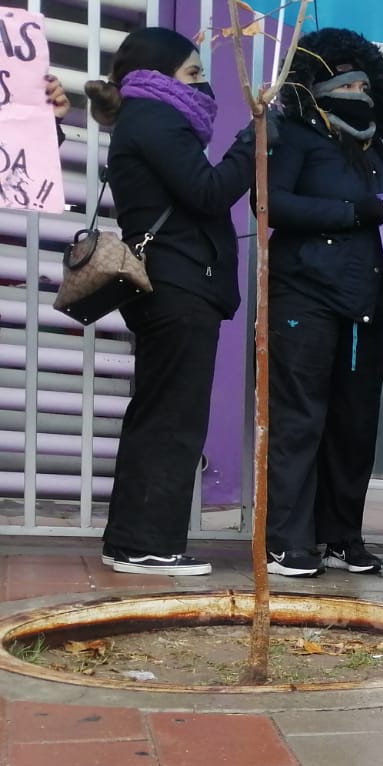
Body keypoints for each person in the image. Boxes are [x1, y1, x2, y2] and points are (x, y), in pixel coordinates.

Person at [86, 27, 254, 574]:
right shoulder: (157, 119)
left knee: (157, 413)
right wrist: (254, 143)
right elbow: (207, 191)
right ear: (160, 74)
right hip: (178, 285)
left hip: (168, 283)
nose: (204, 85)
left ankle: (131, 540)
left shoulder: (144, 117)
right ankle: (148, 545)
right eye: (193, 73)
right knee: (174, 419)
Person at [264, 29, 383, 577]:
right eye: (345, 81)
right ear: (317, 86)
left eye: (366, 82)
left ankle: (341, 533)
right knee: (299, 419)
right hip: (305, 295)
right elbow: (269, 202)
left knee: (354, 425)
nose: (358, 90)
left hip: (366, 305)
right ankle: (286, 539)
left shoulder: (378, 151)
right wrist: (350, 213)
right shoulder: (293, 135)